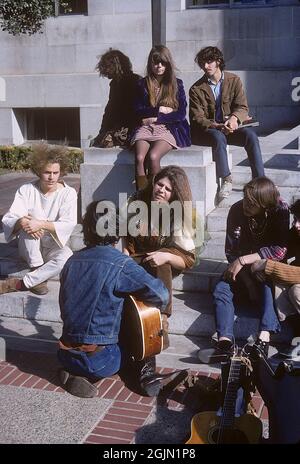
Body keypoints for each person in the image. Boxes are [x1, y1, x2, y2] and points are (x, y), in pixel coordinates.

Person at [57, 200, 170, 399]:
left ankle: (73, 372)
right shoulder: (120, 264)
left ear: (87, 231)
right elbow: (161, 294)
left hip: (64, 354)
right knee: (143, 326)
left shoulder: (71, 262)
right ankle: (144, 374)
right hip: (100, 361)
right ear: (117, 231)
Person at [198, 177, 290, 364]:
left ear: (265, 205)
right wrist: (247, 282)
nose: (246, 205)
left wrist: (245, 259)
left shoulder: (280, 210)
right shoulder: (236, 210)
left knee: (264, 278)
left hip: (267, 266)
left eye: (252, 203)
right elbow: (231, 251)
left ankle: (264, 337)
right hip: (242, 270)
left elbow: (280, 250)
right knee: (221, 288)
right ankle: (224, 342)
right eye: (246, 199)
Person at [123, 165, 199, 349]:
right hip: (137, 256)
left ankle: (162, 323)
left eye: (168, 189)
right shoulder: (136, 201)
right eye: (160, 184)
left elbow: (188, 259)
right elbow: (125, 235)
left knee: (162, 263)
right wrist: (125, 255)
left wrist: (166, 256)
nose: (161, 191)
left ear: (174, 194)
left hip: (167, 257)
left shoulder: (179, 214)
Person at [189, 46, 265, 204]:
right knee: (218, 137)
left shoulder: (233, 80)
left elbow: (242, 106)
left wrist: (234, 119)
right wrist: (217, 126)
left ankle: (260, 181)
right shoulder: (196, 89)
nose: (206, 66)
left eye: (209, 61)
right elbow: (198, 118)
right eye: (203, 63)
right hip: (207, 131)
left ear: (218, 61)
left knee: (250, 135)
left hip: (229, 128)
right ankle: (226, 179)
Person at [0, 143, 77, 296]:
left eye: (56, 172)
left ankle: (20, 283)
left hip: (53, 244)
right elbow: (10, 218)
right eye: (47, 172)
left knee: (67, 256)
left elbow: (68, 223)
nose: (51, 177)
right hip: (29, 245)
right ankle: (37, 271)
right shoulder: (26, 190)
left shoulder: (68, 193)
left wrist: (40, 224)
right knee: (27, 225)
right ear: (38, 171)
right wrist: (22, 221)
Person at [131, 45, 191, 190]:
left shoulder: (177, 84)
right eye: (155, 62)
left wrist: (157, 118)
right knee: (139, 158)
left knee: (153, 156)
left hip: (167, 128)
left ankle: (155, 194)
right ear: (150, 64)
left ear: (168, 64)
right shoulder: (142, 84)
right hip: (145, 128)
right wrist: (160, 109)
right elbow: (137, 110)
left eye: (163, 63)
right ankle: (142, 194)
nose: (159, 66)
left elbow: (181, 113)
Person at [251, 199, 300, 359]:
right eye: (296, 219)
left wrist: (267, 265)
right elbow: (280, 256)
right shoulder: (295, 234)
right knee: (279, 282)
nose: (296, 225)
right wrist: (266, 270)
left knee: (296, 290)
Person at [90, 49, 140, 148]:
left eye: (107, 67)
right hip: (120, 126)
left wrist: (110, 131)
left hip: (131, 127)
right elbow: (110, 110)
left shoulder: (133, 81)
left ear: (116, 66)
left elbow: (130, 111)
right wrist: (103, 131)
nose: (105, 71)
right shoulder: (115, 84)